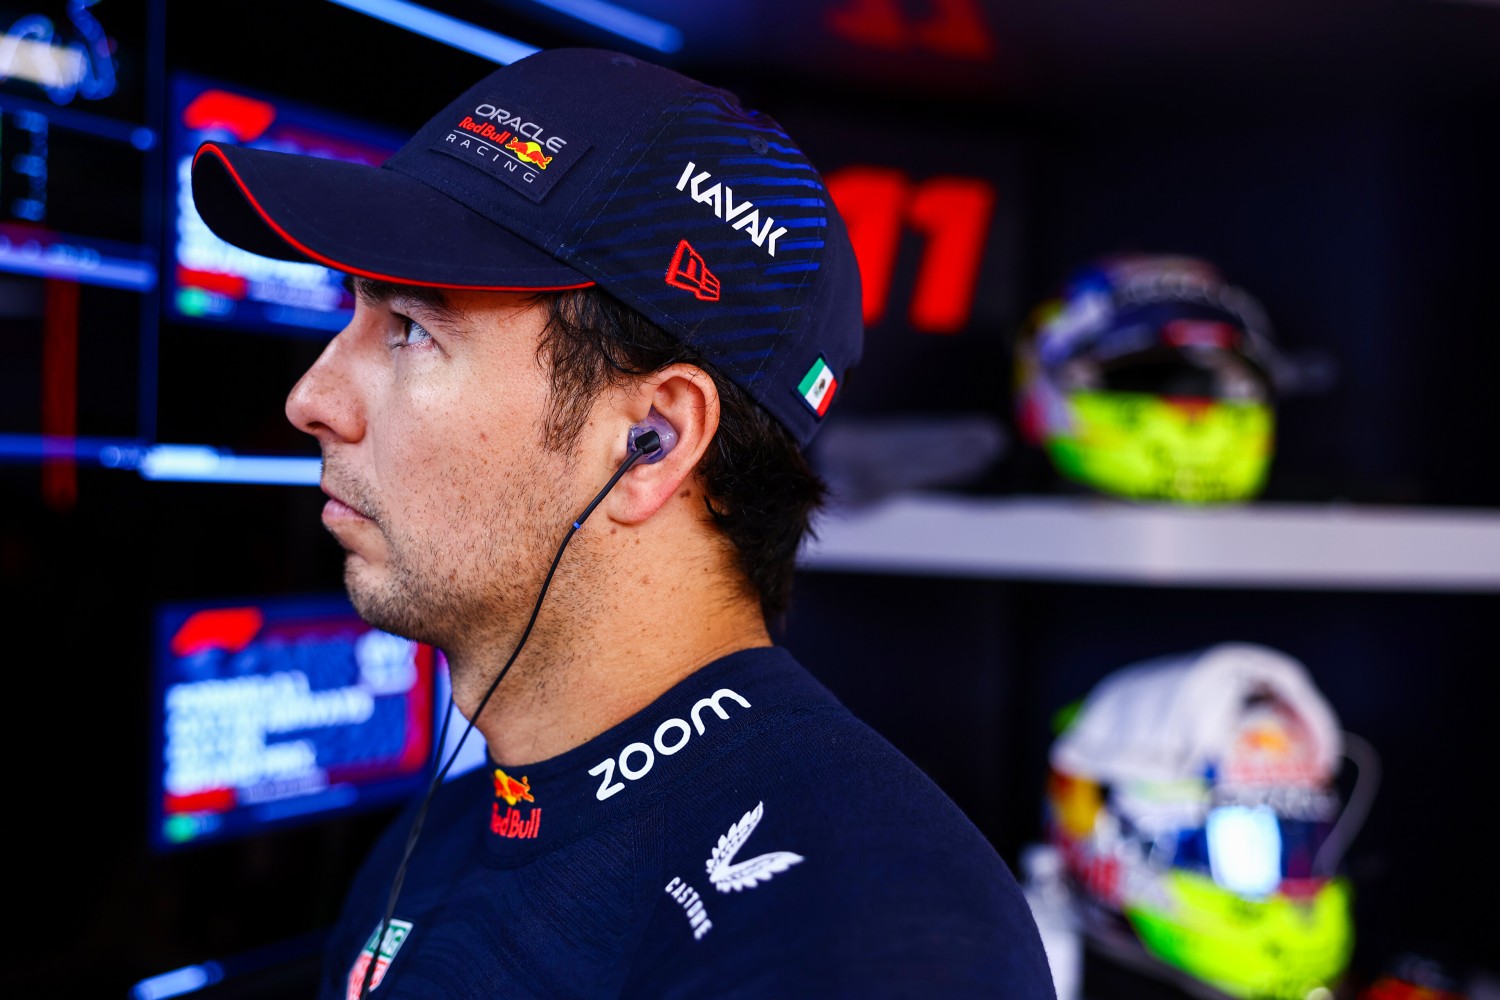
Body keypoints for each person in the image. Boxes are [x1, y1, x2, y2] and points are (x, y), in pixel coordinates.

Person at [190, 46, 1054, 1000]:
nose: (312, 398)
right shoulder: (437, 839)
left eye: (412, 329)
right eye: (352, 313)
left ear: (653, 439)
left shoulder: (874, 935)